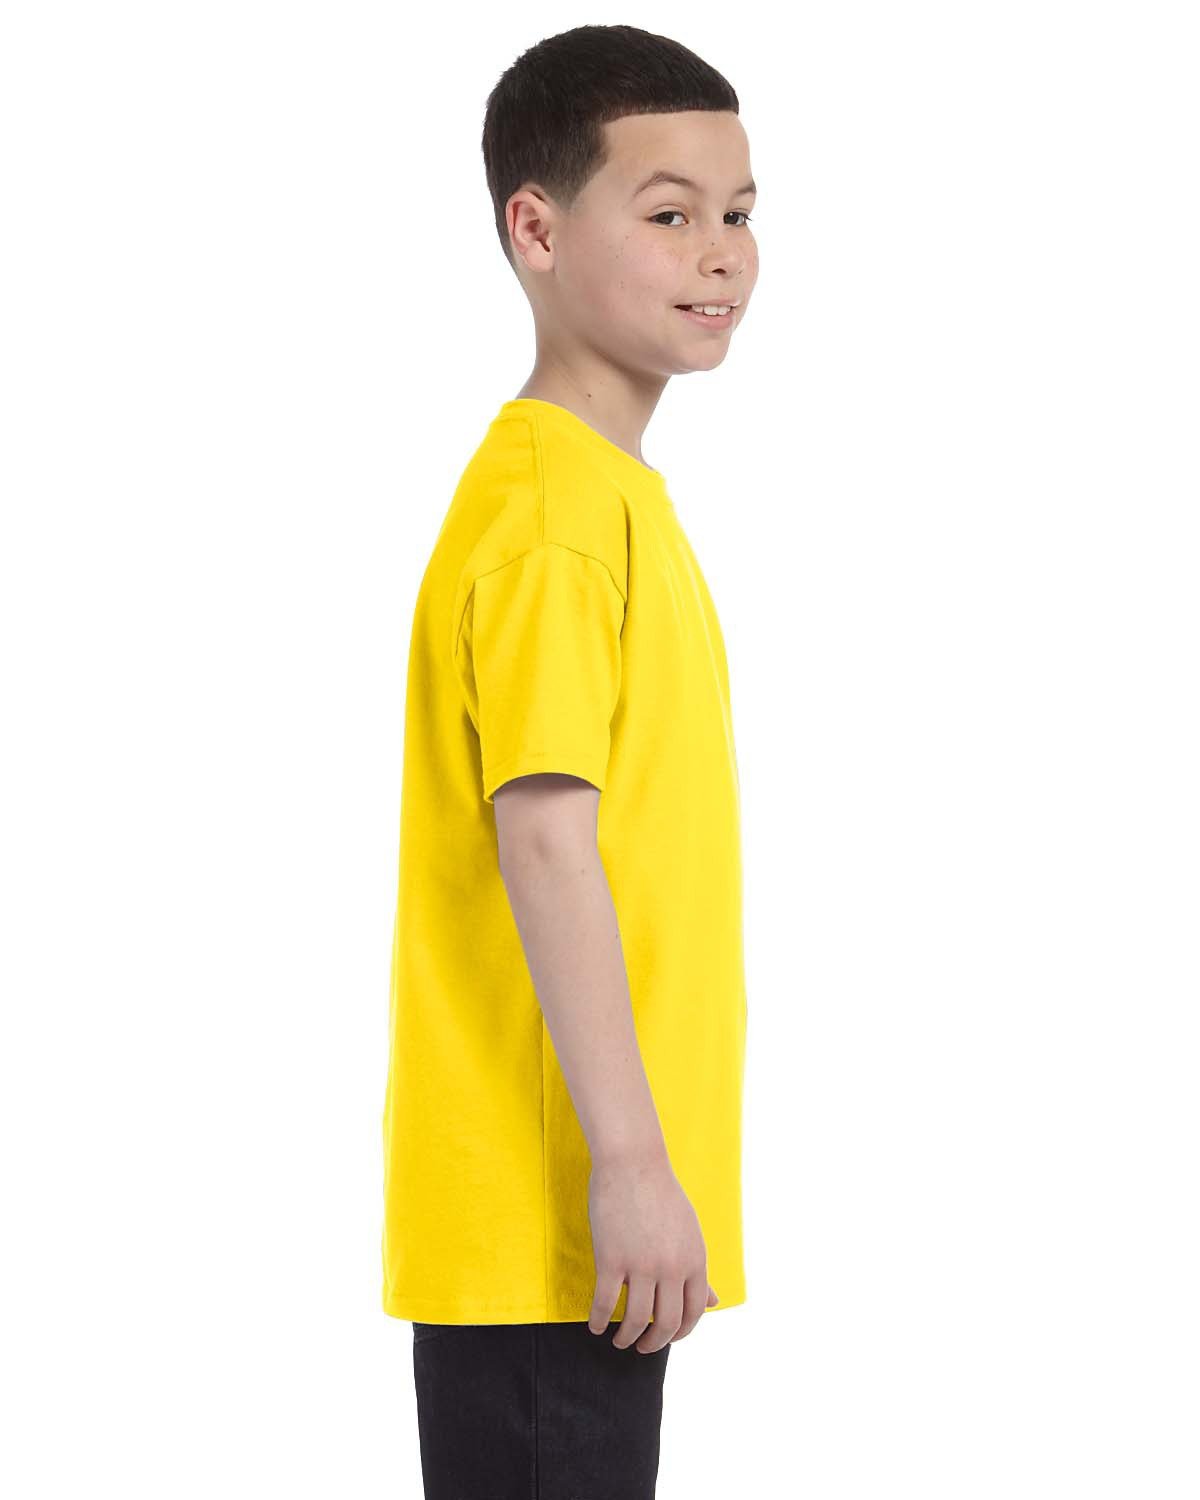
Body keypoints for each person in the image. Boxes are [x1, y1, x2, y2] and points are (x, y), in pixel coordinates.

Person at [380, 23, 758, 1499]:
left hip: (572, 1226)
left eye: (739, 212)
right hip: (552, 1224)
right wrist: (632, 1166)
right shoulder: (552, 518)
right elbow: (544, 834)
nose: (720, 253)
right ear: (534, 230)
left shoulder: (603, 495)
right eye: (668, 213)